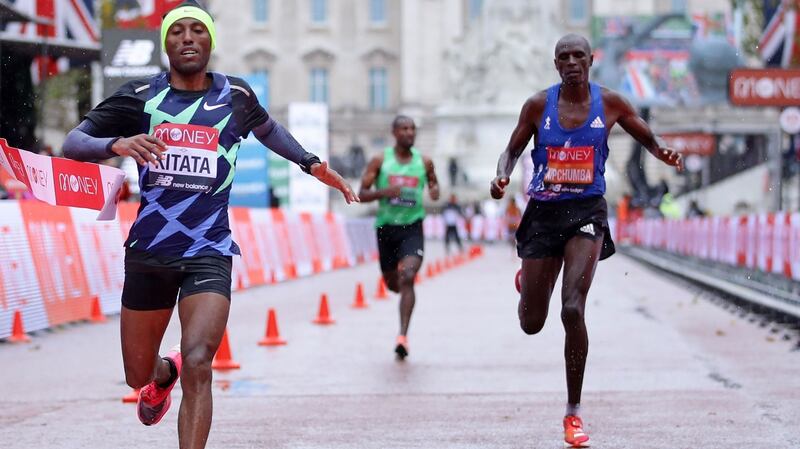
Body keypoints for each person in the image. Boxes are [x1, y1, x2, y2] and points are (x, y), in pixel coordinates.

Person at [62, 3, 357, 448]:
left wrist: (312, 164)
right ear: (165, 43)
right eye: (176, 31)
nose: (186, 38)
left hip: (209, 249)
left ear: (210, 41)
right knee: (136, 374)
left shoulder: (234, 96)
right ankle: (163, 375)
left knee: (201, 361)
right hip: (150, 250)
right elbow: (73, 143)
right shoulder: (140, 94)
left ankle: (185, 378)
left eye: (197, 30)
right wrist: (116, 142)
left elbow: (269, 130)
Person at [489, 34, 682, 448]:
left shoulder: (610, 102)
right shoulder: (538, 105)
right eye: (564, 57)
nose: (572, 62)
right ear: (555, 64)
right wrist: (502, 176)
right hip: (543, 212)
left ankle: (573, 413)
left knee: (572, 309)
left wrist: (662, 150)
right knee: (531, 323)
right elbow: (511, 151)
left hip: (587, 211)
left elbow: (646, 135)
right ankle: (529, 280)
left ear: (591, 60)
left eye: (579, 56)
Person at [358, 115, 440, 360]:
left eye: (412, 129)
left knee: (408, 276)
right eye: (404, 129)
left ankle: (402, 336)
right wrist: (384, 192)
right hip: (386, 229)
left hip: (412, 227)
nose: (409, 133)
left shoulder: (424, 162)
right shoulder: (380, 161)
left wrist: (434, 190)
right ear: (394, 132)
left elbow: (435, 187)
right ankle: (397, 289)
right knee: (394, 284)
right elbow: (361, 193)